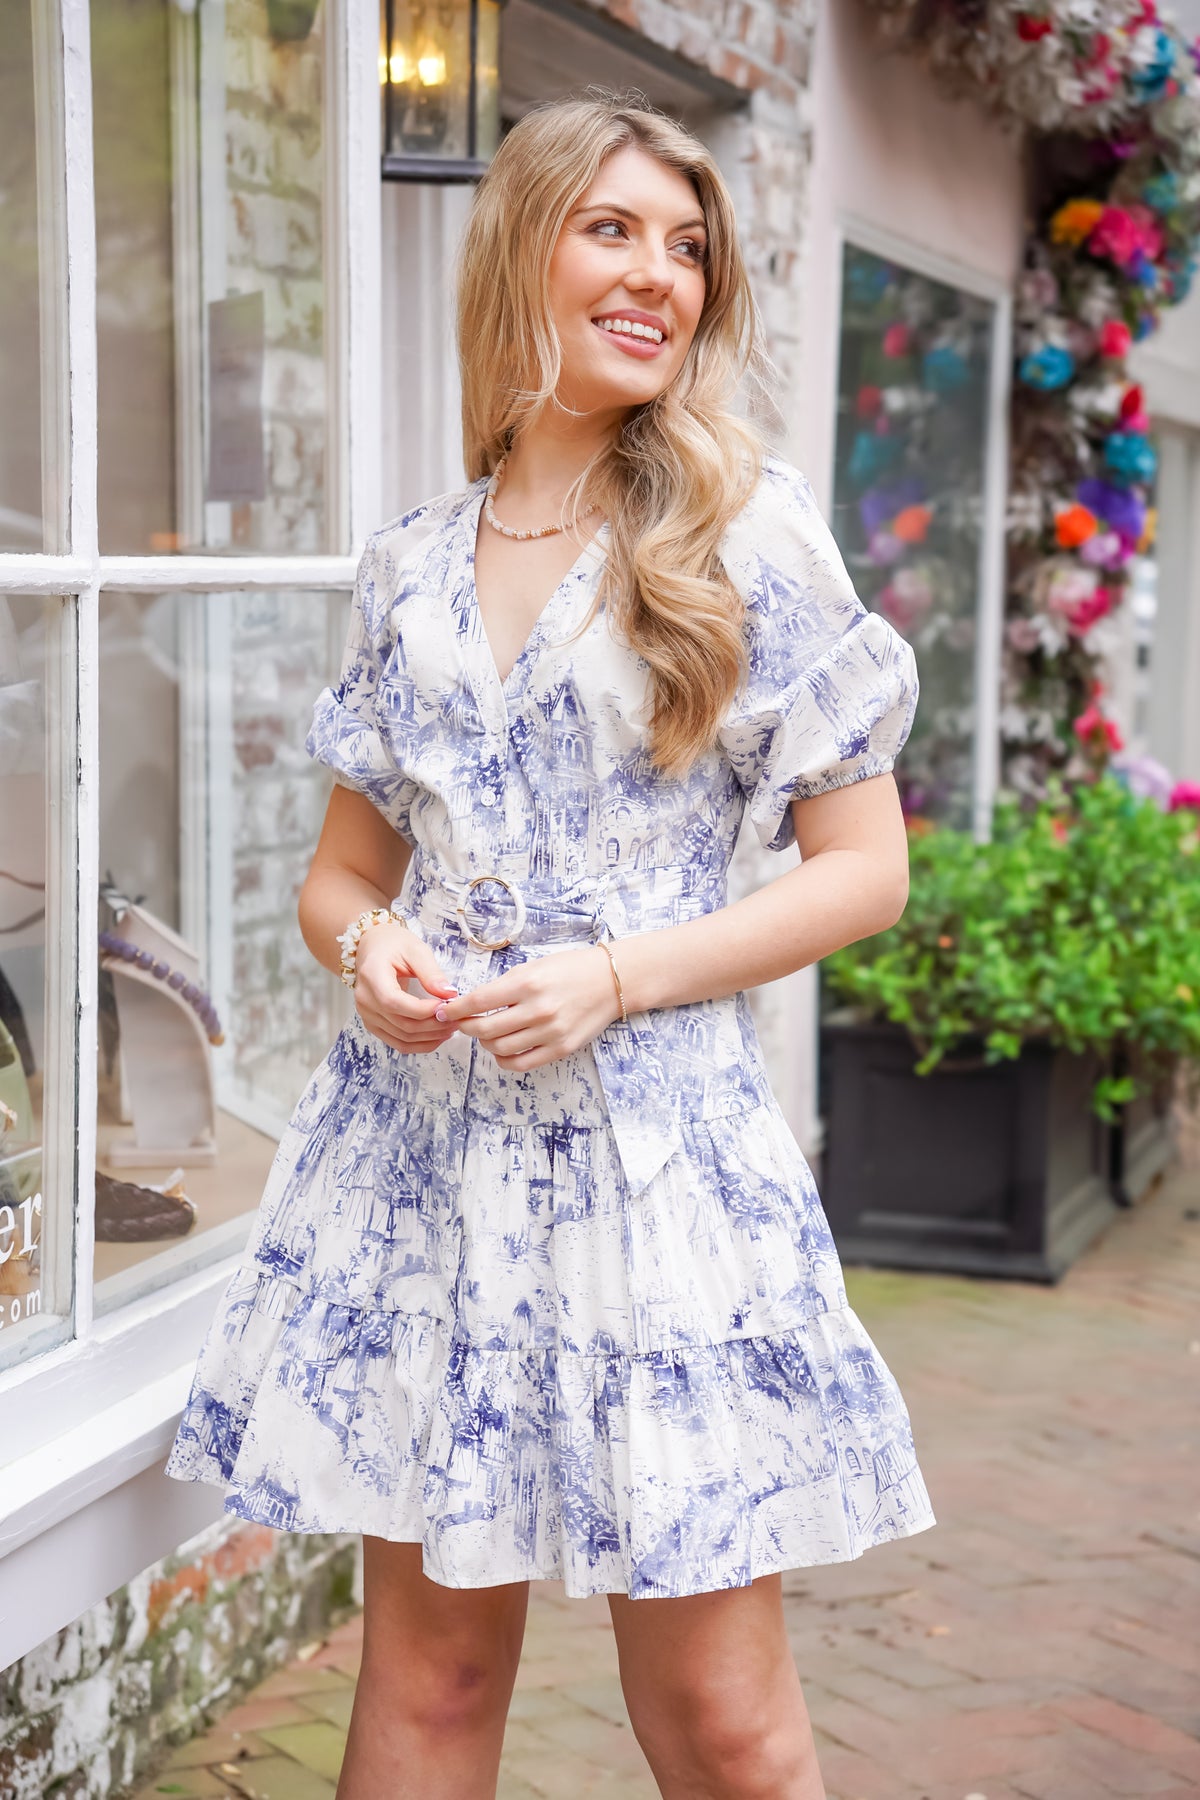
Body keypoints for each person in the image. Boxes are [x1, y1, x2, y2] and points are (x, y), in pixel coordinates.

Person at [167, 94, 935, 1800]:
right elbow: (336, 877)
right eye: (616, 231)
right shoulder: (411, 570)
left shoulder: (745, 531)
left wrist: (620, 974)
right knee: (428, 1688)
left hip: (657, 1175)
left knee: (720, 1725)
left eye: (688, 246)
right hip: (424, 1171)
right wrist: (374, 957)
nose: (660, 274)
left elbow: (864, 869)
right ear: (522, 245)